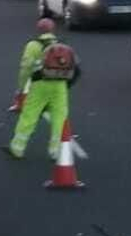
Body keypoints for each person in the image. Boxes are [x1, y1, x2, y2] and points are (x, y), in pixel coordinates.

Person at [5, 16, 79, 161]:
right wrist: (67, 84)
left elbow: (25, 68)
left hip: (40, 84)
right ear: (53, 30)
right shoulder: (62, 44)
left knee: (29, 116)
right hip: (60, 86)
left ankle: (17, 148)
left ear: (39, 30)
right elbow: (76, 67)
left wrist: (21, 87)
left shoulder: (33, 45)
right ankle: (55, 151)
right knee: (59, 117)